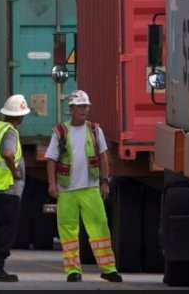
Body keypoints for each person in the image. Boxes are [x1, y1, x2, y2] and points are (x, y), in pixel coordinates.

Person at [46, 90, 122, 283]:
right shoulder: (60, 132)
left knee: (100, 226)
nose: (84, 110)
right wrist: (52, 184)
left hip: (90, 188)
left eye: (86, 106)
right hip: (67, 190)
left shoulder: (95, 130)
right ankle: (73, 271)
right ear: (70, 109)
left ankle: (108, 269)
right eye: (79, 106)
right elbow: (51, 160)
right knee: (68, 230)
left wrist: (105, 182)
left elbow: (103, 156)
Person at [0, 94, 31, 283]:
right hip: (7, 189)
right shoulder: (10, 131)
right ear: (19, 116)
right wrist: (15, 171)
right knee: (6, 230)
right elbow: (8, 153)